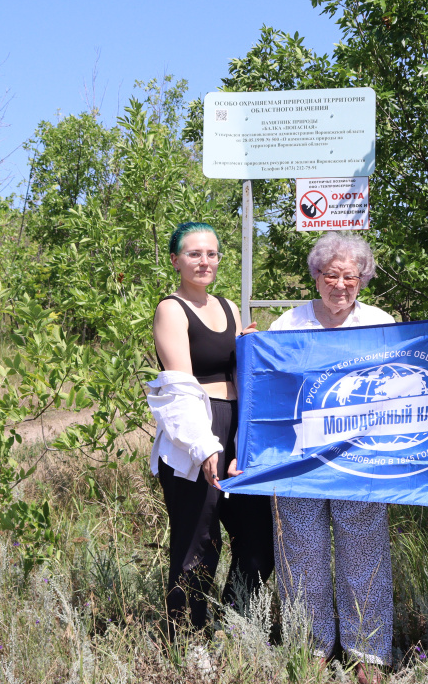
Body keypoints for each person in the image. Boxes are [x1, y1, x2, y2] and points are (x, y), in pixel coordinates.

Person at [268, 232, 395, 684]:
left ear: (363, 279)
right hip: (300, 461)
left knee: (365, 554)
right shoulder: (288, 323)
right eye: (331, 275)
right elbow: (268, 384)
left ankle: (368, 653)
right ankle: (311, 647)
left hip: (361, 461)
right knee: (302, 555)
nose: (340, 285)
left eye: (350, 277)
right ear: (316, 276)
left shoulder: (380, 322)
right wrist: (251, 346)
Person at [148, 221, 274, 639]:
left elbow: (240, 371)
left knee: (259, 538)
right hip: (197, 431)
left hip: (239, 428)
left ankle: (233, 626)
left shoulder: (228, 306)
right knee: (199, 542)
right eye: (194, 254)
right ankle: (188, 638)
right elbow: (180, 387)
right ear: (175, 260)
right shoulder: (171, 309)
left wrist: (251, 347)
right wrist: (204, 446)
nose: (204, 261)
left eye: (212, 254)